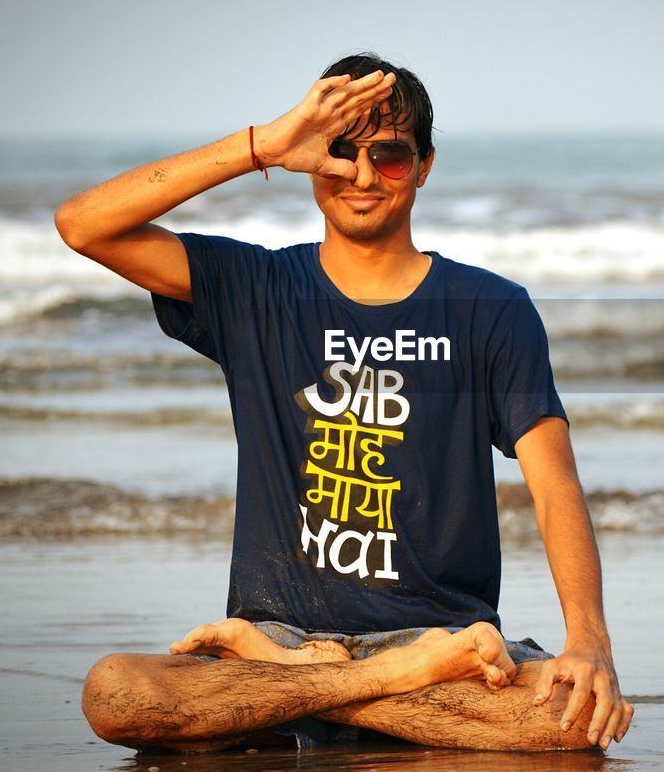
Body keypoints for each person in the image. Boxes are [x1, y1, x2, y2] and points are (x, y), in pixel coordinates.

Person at [55, 52, 632, 753]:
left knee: (573, 725)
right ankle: (363, 685)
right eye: (340, 153)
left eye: (389, 157)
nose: (362, 176)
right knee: (115, 690)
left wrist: (589, 641)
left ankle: (315, 695)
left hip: (432, 644)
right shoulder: (259, 289)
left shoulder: (491, 309)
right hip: (280, 639)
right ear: (311, 159)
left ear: (424, 166)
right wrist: (263, 145)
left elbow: (554, 482)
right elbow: (84, 224)